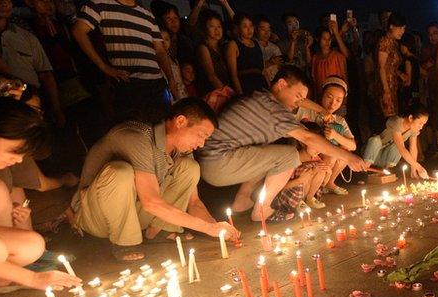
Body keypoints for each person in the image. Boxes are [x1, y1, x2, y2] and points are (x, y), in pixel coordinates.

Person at [71, 98, 237, 261]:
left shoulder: (182, 149)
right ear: (180, 121)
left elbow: (194, 202)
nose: (201, 144)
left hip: (134, 214)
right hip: (94, 217)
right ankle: (125, 242)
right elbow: (151, 202)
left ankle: (159, 230)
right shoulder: (137, 138)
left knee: (190, 168)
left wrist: (217, 227)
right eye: (201, 135)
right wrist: (207, 228)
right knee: (120, 172)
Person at [195, 66, 368, 223]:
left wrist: (321, 111)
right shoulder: (273, 110)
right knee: (288, 155)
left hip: (214, 159)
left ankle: (241, 203)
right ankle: (262, 210)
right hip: (218, 162)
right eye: (298, 96)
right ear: (281, 84)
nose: (299, 102)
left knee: (263, 153)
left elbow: (301, 102)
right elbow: (308, 138)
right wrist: (348, 157)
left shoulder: (263, 98)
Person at [0, 96, 79, 293]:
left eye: (23, 154)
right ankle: (5, 272)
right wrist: (32, 278)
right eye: (14, 151)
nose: (18, 160)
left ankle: (3, 278)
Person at [72, 0, 179, 124]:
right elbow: (78, 31)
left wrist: (170, 79)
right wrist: (104, 67)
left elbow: (160, 51)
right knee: (137, 130)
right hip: (130, 83)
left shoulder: (147, 14)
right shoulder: (100, 4)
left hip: (157, 82)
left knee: (164, 127)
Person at [0, 0, 63, 126]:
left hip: (32, 107)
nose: (5, 3)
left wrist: (57, 109)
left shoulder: (26, 36)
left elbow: (46, 74)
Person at [300, 77, 355, 199]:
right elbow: (298, 100)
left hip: (324, 159)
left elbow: (353, 145)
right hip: (306, 153)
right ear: (321, 95)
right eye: (329, 97)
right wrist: (321, 111)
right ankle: (313, 190)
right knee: (333, 154)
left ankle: (328, 183)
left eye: (338, 100)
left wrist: (335, 135)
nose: (333, 103)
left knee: (345, 152)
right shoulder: (307, 110)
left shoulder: (339, 120)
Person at [363, 103, 430, 178]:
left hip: (384, 158)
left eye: (423, 124)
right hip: (373, 154)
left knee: (396, 146)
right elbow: (401, 148)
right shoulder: (397, 122)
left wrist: (414, 169)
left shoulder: (414, 128)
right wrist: (419, 167)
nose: (421, 127)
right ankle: (364, 171)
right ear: (411, 118)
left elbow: (413, 148)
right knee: (375, 140)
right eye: (420, 123)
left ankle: (387, 172)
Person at [373, 14, 406, 122]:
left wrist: (400, 74)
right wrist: (386, 90)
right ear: (391, 26)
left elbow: (391, 65)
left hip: (392, 85)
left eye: (404, 28)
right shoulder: (385, 41)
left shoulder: (394, 43)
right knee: (390, 121)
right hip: (385, 86)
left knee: (393, 119)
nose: (402, 31)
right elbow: (381, 67)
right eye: (400, 28)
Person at [226, 13, 267, 96]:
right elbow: (233, 74)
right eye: (245, 26)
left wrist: (269, 88)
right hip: (246, 86)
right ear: (238, 28)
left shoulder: (256, 43)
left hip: (261, 85)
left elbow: (263, 70)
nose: (249, 29)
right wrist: (241, 95)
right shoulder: (233, 45)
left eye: (251, 26)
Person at [195, 12, 232, 96]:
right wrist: (228, 95)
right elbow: (211, 76)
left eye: (219, 26)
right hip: (213, 93)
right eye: (212, 26)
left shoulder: (223, 48)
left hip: (226, 90)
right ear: (204, 29)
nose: (217, 30)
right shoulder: (203, 48)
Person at [311, 22, 349, 91]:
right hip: (321, 95)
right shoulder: (315, 58)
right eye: (324, 39)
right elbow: (315, 80)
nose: (327, 42)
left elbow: (344, 76)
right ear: (317, 39)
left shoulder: (337, 56)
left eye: (329, 39)